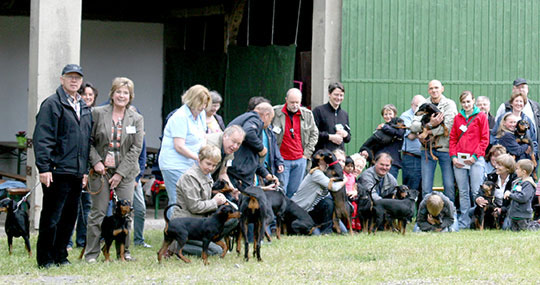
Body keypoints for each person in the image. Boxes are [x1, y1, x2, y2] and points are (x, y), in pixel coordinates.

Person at [34, 64, 92, 268]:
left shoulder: (84, 106)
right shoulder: (52, 104)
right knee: (51, 217)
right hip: (57, 171)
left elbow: (86, 141)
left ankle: (61, 256)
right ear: (62, 79)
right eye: (70, 77)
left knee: (69, 218)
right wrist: (44, 167)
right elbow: (43, 138)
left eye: (77, 77)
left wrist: (85, 171)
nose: (74, 81)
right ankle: (45, 258)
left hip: (76, 172)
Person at [84, 77, 144, 263]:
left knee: (127, 213)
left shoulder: (137, 118)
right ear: (112, 93)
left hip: (125, 172)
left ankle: (123, 253)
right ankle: (92, 254)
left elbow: (136, 148)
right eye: (118, 91)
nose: (122, 95)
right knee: (98, 212)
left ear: (130, 96)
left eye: (126, 93)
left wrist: (120, 173)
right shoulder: (97, 113)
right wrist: (96, 162)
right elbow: (87, 141)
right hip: (101, 171)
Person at [159, 85, 210, 217]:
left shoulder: (201, 114)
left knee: (193, 200)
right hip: (174, 164)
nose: (203, 107)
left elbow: (203, 136)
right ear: (192, 100)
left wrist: (204, 154)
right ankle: (172, 234)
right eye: (201, 103)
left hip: (191, 163)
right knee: (177, 201)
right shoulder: (180, 116)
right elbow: (179, 146)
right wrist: (198, 158)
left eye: (205, 104)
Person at [170, 145, 232, 256]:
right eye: (208, 164)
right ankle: (176, 247)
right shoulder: (190, 177)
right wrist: (215, 202)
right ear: (199, 159)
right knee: (216, 252)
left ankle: (208, 241)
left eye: (214, 165)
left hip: (200, 224)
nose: (211, 168)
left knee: (232, 219)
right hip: (186, 225)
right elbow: (194, 206)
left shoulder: (206, 175)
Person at [410, 80, 458, 202]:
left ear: (442, 88)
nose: (434, 90)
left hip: (445, 148)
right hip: (427, 149)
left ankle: (451, 216)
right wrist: (430, 124)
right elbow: (414, 125)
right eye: (431, 88)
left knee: (449, 185)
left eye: (436, 87)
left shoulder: (449, 104)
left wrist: (428, 130)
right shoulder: (423, 104)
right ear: (428, 90)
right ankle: (425, 216)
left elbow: (449, 125)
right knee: (426, 187)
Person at [449, 91, 490, 229]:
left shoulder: (481, 116)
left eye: (468, 101)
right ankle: (464, 222)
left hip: (475, 160)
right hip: (459, 160)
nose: (466, 104)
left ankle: (477, 221)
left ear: (473, 101)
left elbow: (485, 139)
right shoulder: (457, 118)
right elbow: (453, 139)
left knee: (475, 192)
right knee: (463, 192)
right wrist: (454, 157)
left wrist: (475, 157)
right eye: (464, 102)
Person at [67, 81, 98, 251]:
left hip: (91, 168)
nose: (87, 97)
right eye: (85, 94)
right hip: (75, 167)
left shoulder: (95, 115)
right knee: (72, 205)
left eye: (90, 95)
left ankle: (82, 241)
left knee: (86, 207)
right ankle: (67, 242)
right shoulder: (76, 112)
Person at [272, 88, 319, 198]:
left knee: (294, 192)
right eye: (292, 102)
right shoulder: (275, 113)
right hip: (282, 160)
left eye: (297, 102)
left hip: (299, 159)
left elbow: (314, 134)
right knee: (280, 191)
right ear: (286, 100)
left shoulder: (307, 115)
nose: (295, 105)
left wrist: (306, 154)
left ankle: (290, 215)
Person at [291, 151, 348, 234]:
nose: (340, 163)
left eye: (343, 161)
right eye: (338, 160)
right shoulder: (317, 173)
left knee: (344, 231)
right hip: (302, 210)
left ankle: (326, 229)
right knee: (315, 234)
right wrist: (345, 180)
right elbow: (334, 187)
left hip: (313, 209)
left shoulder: (327, 173)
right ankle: (325, 231)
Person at [226, 102, 279, 190]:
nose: (270, 123)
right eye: (271, 119)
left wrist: (266, 175)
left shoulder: (246, 118)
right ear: (266, 115)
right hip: (238, 172)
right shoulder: (255, 119)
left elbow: (252, 157)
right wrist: (261, 148)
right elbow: (248, 132)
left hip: (236, 168)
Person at [360, 104, 405, 179]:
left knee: (390, 185)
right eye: (385, 114)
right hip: (378, 161)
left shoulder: (398, 127)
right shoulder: (379, 130)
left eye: (390, 113)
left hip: (392, 162)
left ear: (395, 114)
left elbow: (399, 133)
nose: (388, 116)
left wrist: (384, 127)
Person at [495, 78, 540, 146]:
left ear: (527, 89)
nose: (521, 90)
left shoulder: (536, 106)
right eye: (518, 87)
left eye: (523, 87)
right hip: (508, 149)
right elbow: (496, 130)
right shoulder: (504, 107)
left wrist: (534, 151)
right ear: (513, 89)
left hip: (528, 150)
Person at [479, 154, 516, 229]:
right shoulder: (491, 176)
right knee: (472, 211)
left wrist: (502, 210)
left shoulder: (515, 180)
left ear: (508, 168)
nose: (496, 167)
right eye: (496, 164)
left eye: (500, 165)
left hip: (509, 209)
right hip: (493, 207)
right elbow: (480, 191)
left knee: (506, 227)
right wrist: (478, 198)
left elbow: (515, 201)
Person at [313, 82, 351, 152]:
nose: (338, 98)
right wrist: (330, 137)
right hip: (322, 156)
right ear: (329, 94)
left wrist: (345, 134)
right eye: (336, 95)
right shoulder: (318, 111)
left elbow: (348, 138)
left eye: (341, 95)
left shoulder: (344, 114)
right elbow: (313, 133)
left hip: (339, 158)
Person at [400, 95, 424, 192]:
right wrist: (423, 130)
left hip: (425, 158)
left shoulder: (425, 116)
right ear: (411, 105)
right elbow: (410, 136)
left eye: (421, 106)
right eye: (416, 105)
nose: (418, 108)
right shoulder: (405, 116)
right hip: (411, 158)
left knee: (424, 189)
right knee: (410, 190)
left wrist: (417, 131)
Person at [504, 159, 536, 231]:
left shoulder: (528, 184)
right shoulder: (517, 182)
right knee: (514, 232)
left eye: (517, 169)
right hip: (514, 214)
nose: (516, 171)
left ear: (524, 172)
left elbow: (523, 197)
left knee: (525, 230)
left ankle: (536, 226)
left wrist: (510, 195)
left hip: (523, 215)